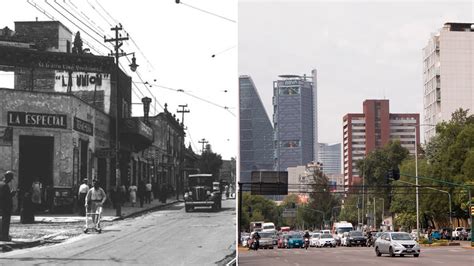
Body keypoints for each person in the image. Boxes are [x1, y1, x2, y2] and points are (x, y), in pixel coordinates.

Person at [0, 171, 16, 241]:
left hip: (2, 206)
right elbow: (6, 197)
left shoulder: (1, 184)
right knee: (5, 222)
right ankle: (4, 236)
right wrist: (12, 194)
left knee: (3, 221)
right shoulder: (5, 185)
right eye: (10, 178)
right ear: (8, 178)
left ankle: (3, 235)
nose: (10, 180)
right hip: (5, 207)